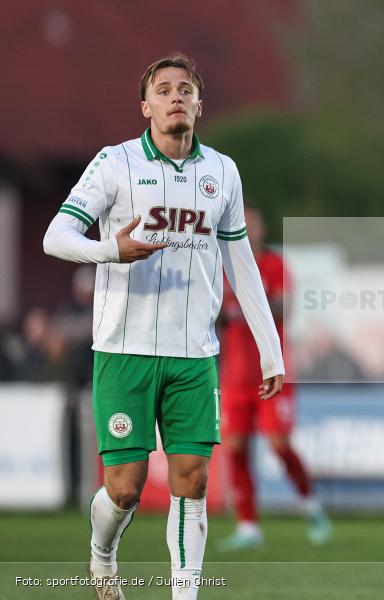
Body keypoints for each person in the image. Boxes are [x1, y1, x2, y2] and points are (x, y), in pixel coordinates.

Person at [43, 53, 284, 600]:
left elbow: (241, 264)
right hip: (122, 349)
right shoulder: (115, 163)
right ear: (145, 106)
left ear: (200, 105)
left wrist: (271, 350)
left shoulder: (222, 171)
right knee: (124, 490)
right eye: (164, 89)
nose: (176, 96)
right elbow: (54, 237)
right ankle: (102, 555)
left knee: (193, 480)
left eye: (186, 89)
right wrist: (112, 251)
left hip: (194, 353)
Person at [218, 206, 331, 549]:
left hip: (272, 372)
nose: (248, 233)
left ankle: (309, 503)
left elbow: (285, 308)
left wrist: (253, 300)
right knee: (235, 448)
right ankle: (249, 526)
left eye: (253, 226)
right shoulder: (223, 269)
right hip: (235, 377)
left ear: (262, 231)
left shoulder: (274, 266)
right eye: (243, 227)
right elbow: (216, 317)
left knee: (278, 445)